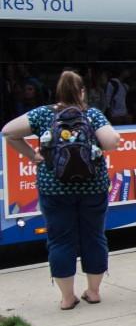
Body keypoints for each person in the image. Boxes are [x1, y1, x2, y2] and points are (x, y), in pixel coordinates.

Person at [2, 71, 120, 309]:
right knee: (94, 236)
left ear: (58, 91)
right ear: (82, 92)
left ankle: (67, 298)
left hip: (53, 187)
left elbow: (8, 131)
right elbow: (111, 142)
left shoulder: (43, 114)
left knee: (59, 240)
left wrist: (33, 156)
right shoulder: (92, 114)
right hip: (92, 187)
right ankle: (94, 292)